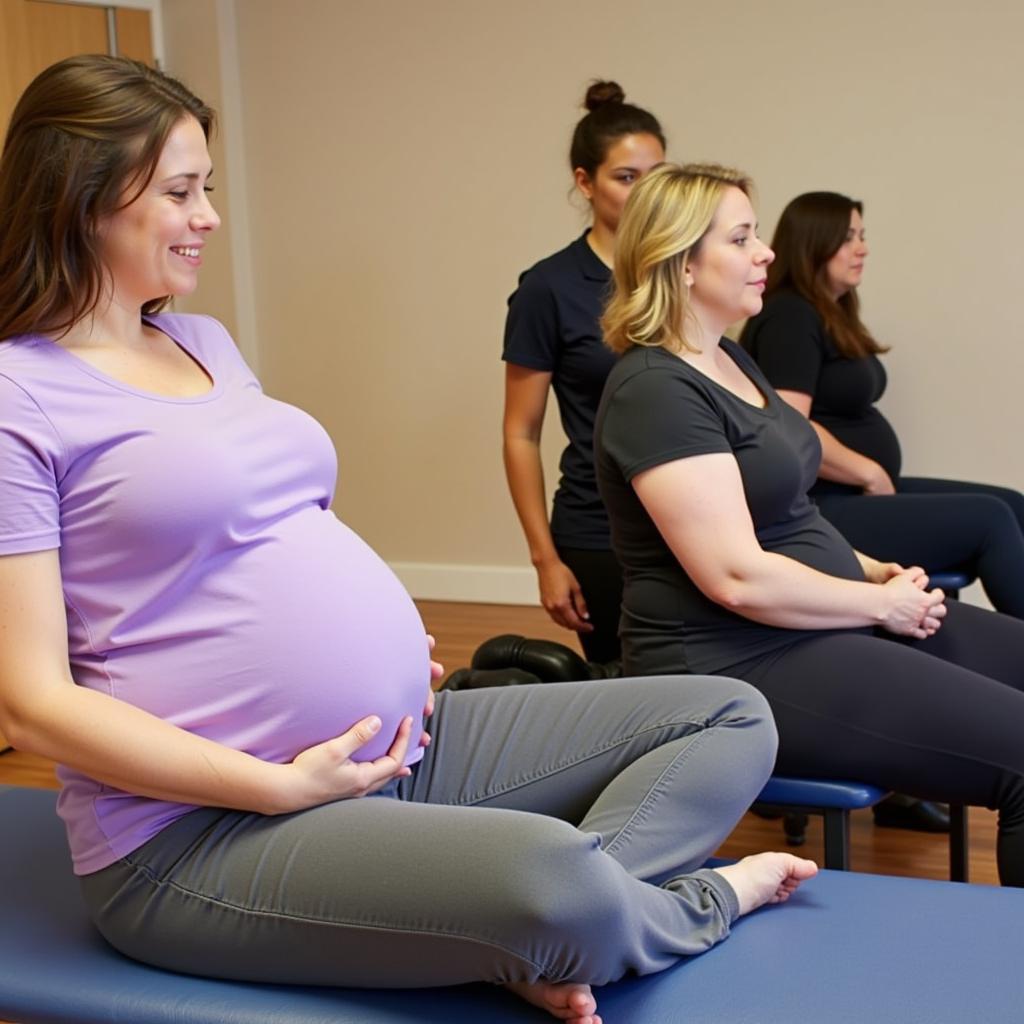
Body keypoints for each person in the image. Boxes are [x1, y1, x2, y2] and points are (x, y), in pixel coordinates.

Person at [0, 56, 816, 1024]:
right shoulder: (20, 394)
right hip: (201, 834)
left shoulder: (202, 342)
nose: (210, 215)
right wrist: (273, 784)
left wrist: (375, 648)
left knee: (729, 717)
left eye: (208, 186)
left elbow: (275, 526)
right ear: (81, 196)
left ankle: (528, 929)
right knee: (552, 881)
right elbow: (32, 702)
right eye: (181, 191)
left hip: (390, 750)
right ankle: (681, 905)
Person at [594, 162, 1024, 887]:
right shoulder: (654, 390)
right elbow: (734, 576)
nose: (765, 252)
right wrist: (878, 603)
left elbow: (789, 517)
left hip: (815, 621)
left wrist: (868, 569)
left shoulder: (729, 359)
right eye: (742, 237)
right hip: (733, 662)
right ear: (681, 263)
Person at [741, 191, 1024, 619]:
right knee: (991, 519)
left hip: (855, 493)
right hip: (821, 507)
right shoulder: (790, 317)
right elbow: (789, 425)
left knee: (1012, 503)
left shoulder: (829, 311)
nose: (862, 247)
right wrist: (867, 471)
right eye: (848, 236)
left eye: (862, 235)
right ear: (814, 242)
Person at [502, 80, 664, 663]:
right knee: (632, 691)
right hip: (601, 530)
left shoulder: (686, 273)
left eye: (657, 175)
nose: (645, 194)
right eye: (626, 177)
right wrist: (546, 560)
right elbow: (520, 433)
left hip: (691, 520)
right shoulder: (548, 288)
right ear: (584, 181)